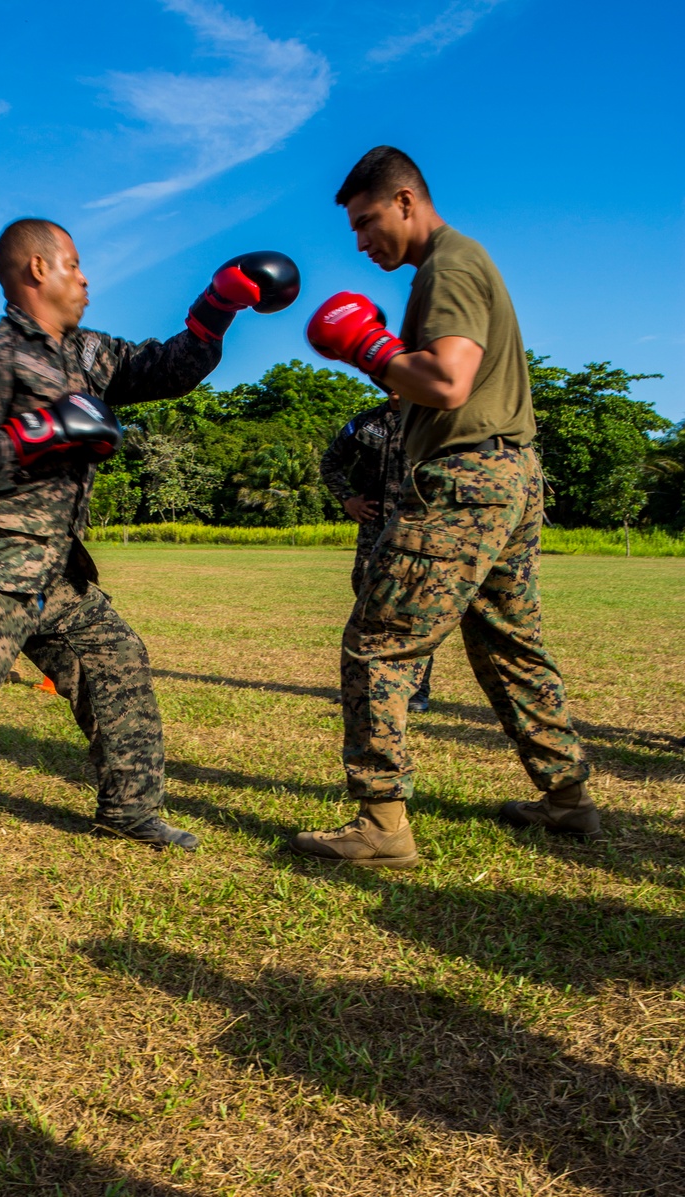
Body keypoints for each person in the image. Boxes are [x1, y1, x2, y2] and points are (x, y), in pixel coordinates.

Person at [0, 220, 299, 863]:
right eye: (74, 264)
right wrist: (41, 432)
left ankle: (131, 812)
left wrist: (218, 308)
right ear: (38, 270)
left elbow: (168, 369)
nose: (85, 278)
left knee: (116, 661)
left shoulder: (90, 353)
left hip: (54, 569)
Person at [291, 146, 596, 868]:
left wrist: (365, 346)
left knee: (378, 640)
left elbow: (448, 381)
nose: (362, 243)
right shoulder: (460, 262)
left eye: (367, 223)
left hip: (465, 481)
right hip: (512, 475)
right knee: (510, 646)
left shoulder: (448, 266)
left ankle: (382, 823)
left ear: (405, 201)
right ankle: (567, 797)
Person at [320, 392, 434, 713]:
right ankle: (363, 686)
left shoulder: (431, 418)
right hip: (373, 528)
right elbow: (330, 461)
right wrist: (347, 499)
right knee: (368, 605)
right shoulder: (366, 423)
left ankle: (416, 691)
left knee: (414, 606)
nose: (395, 386)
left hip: (418, 527)